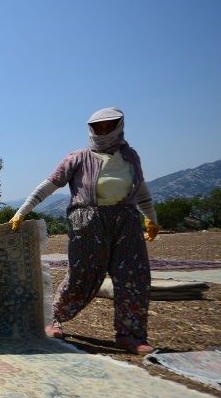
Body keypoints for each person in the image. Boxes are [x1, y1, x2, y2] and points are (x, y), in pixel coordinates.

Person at [10, 107, 160, 355]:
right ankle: (53, 317)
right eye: (98, 127)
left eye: (108, 126)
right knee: (83, 274)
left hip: (127, 220)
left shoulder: (130, 157)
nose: (103, 131)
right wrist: (23, 211)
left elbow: (141, 189)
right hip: (88, 221)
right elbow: (50, 184)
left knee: (134, 276)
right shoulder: (78, 157)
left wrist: (150, 218)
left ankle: (130, 334)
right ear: (91, 129)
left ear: (119, 127)